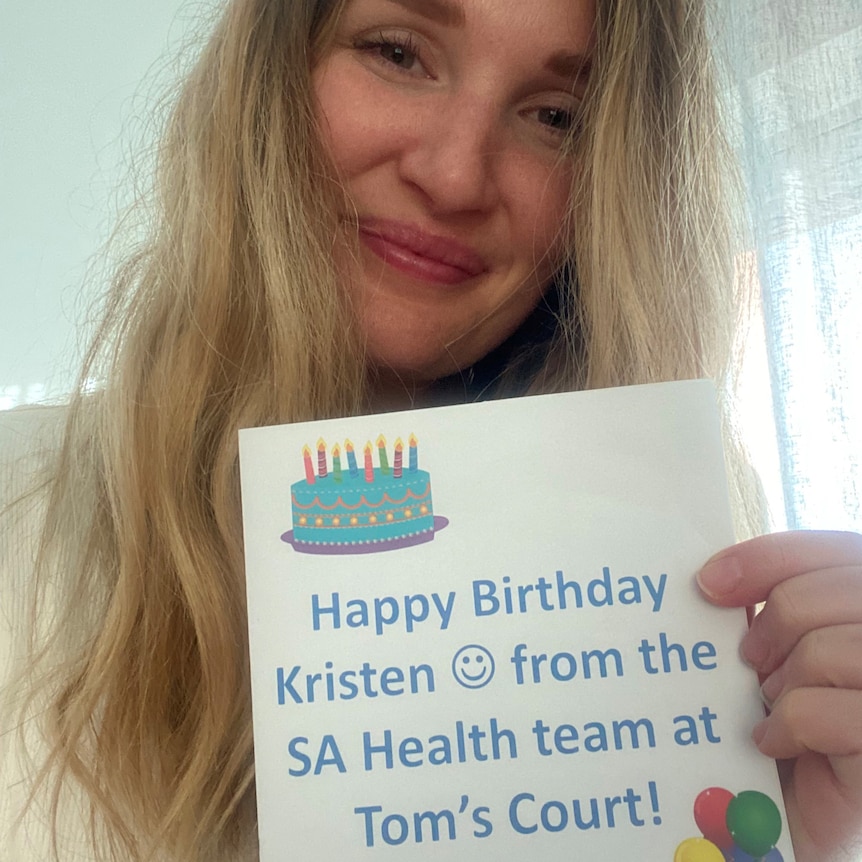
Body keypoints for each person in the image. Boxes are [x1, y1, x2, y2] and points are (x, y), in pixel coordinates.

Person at [1, 0, 860, 860]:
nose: (454, 177)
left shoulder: (700, 569)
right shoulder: (19, 509)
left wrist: (797, 835)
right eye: (399, 54)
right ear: (271, 75)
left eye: (556, 117)